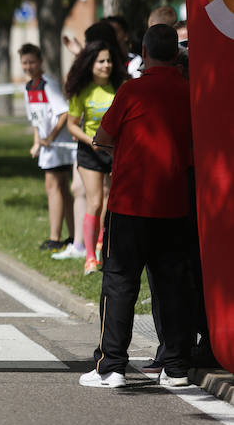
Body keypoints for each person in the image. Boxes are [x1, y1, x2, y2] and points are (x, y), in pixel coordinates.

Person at [79, 24, 193, 388]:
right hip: (175, 202)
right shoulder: (189, 92)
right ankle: (176, 365)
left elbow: (104, 137)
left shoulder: (131, 90)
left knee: (120, 282)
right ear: (176, 54)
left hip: (130, 203)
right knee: (172, 284)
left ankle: (112, 365)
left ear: (143, 52)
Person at [65, 40, 126, 275]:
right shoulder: (82, 91)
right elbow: (71, 125)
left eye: (109, 60)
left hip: (114, 152)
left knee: (110, 201)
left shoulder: (119, 87)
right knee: (95, 202)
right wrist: (91, 141)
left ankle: (102, 244)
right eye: (101, 61)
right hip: (90, 152)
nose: (106, 65)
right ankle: (90, 257)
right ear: (91, 64)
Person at [18, 44, 75, 251]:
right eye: (25, 63)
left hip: (59, 145)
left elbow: (64, 113)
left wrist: (50, 138)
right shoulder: (28, 88)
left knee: (53, 187)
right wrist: (37, 142)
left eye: (32, 62)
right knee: (62, 189)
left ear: (40, 61)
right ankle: (73, 236)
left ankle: (55, 238)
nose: (28, 66)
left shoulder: (48, 84)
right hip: (47, 146)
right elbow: (35, 119)